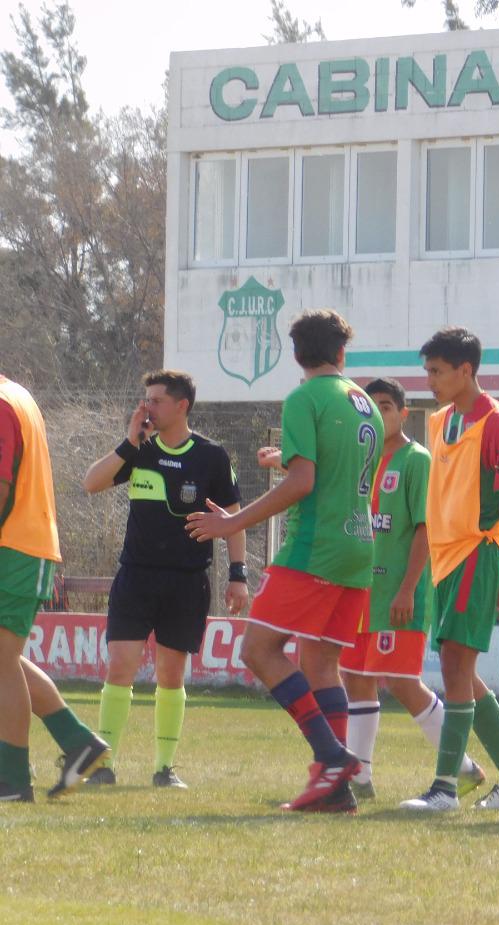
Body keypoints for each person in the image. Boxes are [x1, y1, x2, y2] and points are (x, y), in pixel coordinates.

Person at [187, 309, 380, 814]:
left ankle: (331, 758)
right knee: (321, 661)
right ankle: (334, 792)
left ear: (296, 355)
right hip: (359, 544)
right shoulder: (366, 404)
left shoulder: (303, 399)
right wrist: (287, 459)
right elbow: (336, 470)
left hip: (315, 547)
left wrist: (232, 523)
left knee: (258, 649)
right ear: (342, 352)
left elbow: (304, 484)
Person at [81, 370, 247, 788]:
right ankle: (103, 764)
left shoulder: (212, 456)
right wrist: (128, 442)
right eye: (146, 399)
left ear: (181, 406)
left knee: (171, 676)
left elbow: (235, 519)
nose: (147, 407)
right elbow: (91, 483)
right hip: (136, 577)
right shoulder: (138, 451)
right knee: (120, 667)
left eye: (155, 400)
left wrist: (238, 575)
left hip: (187, 580)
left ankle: (164, 768)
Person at [399, 326, 499, 814]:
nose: (430, 381)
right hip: (446, 560)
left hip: (478, 553)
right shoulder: (440, 422)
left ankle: (443, 787)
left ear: (466, 370)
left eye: (437, 372)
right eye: (428, 372)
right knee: (461, 669)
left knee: (458, 665)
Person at [337, 377, 484, 802]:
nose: (379, 413)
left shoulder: (416, 460)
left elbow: (425, 528)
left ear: (403, 413)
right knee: (356, 678)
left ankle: (463, 766)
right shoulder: (360, 461)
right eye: (372, 406)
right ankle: (359, 777)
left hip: (400, 594)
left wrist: (406, 589)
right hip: (362, 592)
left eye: (386, 406)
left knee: (401, 680)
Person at [1, 373, 111, 801]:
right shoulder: (16, 394)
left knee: (2, 659)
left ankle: (10, 780)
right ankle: (78, 743)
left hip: (14, 547)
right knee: (5, 657)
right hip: (22, 543)